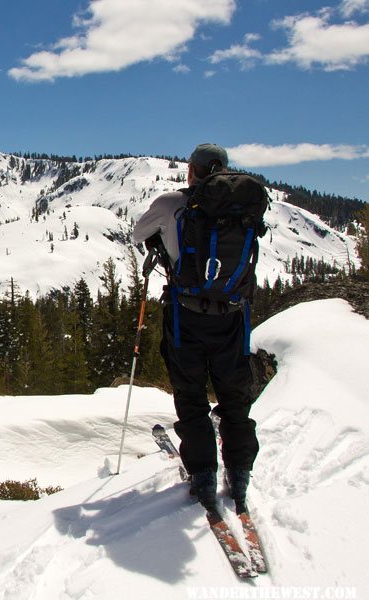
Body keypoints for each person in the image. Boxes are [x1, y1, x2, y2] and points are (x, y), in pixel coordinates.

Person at [132, 143, 258, 513]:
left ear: (192, 170)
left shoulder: (173, 202)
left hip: (185, 313)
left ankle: (202, 474)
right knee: (235, 397)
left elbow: (139, 234)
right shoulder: (243, 205)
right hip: (233, 314)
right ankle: (240, 472)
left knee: (191, 397)